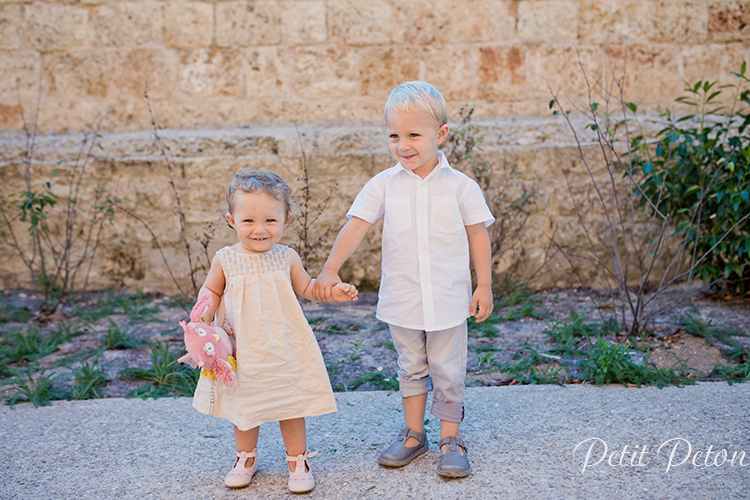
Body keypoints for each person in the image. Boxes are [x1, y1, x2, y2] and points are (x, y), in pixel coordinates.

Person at [313, 81, 494, 478]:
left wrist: (484, 285)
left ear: (440, 134)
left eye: (414, 134)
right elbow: (356, 225)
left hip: (448, 299)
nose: (403, 144)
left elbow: (478, 235)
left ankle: (451, 439)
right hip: (404, 299)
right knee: (410, 366)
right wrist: (329, 269)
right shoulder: (384, 185)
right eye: (395, 135)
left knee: (448, 369)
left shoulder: (461, 187)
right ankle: (414, 434)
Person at [190, 169, 358, 493]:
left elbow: (308, 287)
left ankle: (298, 460)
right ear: (231, 219)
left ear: (287, 219)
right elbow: (211, 289)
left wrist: (332, 292)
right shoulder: (225, 259)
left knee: (289, 400)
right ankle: (246, 458)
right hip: (242, 346)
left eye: (270, 220)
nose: (260, 229)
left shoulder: (286, 257)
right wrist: (203, 311)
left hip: (283, 344)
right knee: (245, 403)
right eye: (249, 220)